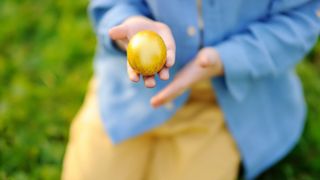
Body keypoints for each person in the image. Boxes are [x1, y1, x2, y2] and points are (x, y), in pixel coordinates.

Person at [62, 0, 320, 179]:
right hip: (131, 96)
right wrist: (128, 25)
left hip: (225, 104)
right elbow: (110, 4)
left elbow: (301, 19)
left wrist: (226, 59)